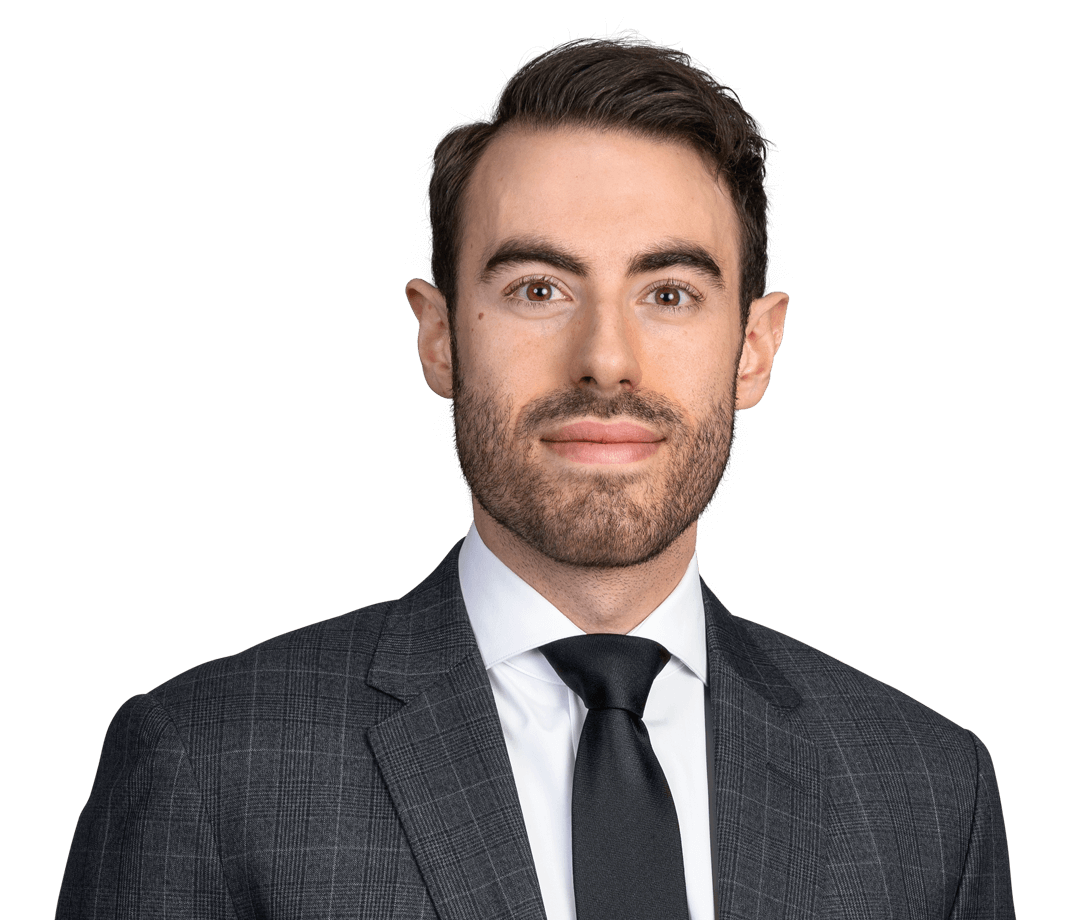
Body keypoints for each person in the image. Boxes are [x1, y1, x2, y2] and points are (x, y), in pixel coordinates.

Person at [57, 29, 1014, 920]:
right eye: (539, 289)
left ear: (756, 348)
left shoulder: (932, 793)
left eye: (669, 293)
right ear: (438, 336)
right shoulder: (204, 765)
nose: (605, 360)